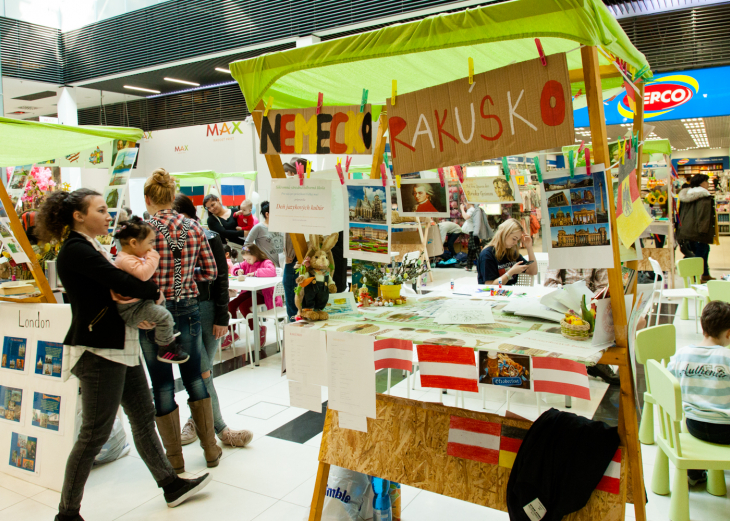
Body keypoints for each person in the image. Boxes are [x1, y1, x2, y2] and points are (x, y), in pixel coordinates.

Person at [36, 189, 210, 521]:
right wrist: (153, 289)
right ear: (79, 216)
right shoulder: (76, 250)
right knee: (94, 433)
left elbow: (122, 286)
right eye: (100, 210)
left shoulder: (92, 247)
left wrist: (141, 292)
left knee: (143, 419)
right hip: (99, 350)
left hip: (120, 345)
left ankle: (170, 484)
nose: (107, 215)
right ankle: (67, 513)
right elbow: (126, 283)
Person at [141, 168, 222, 473]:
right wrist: (186, 280)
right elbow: (211, 271)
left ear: (148, 198)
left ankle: (175, 459)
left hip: (152, 313)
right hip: (188, 308)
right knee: (194, 377)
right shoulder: (192, 225)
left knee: (161, 385)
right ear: (172, 196)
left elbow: (129, 273)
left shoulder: (141, 228)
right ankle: (211, 450)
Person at [172, 194, 254, 449]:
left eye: (175, 215)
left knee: (201, 372)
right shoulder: (167, 240)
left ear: (186, 214)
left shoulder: (209, 237)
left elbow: (221, 279)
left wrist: (222, 315)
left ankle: (194, 420)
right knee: (202, 371)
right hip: (182, 311)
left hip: (207, 308)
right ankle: (222, 429)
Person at [668, 300, 730, 486]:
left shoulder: (681, 355)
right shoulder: (727, 358)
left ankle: (694, 473)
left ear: (702, 327)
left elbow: (669, 384)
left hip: (694, 426)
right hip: (726, 431)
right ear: (729, 333)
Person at [112, 217, 188, 364]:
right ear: (134, 243)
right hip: (131, 309)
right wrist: (153, 256)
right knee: (164, 316)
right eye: (150, 243)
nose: (151, 247)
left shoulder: (130, 257)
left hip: (139, 303)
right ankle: (166, 349)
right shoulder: (125, 260)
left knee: (162, 307)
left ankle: (166, 332)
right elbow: (144, 274)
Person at [227, 244, 283, 353]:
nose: (247, 261)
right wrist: (238, 270)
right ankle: (232, 333)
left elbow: (271, 271)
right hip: (250, 291)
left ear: (256, 255)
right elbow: (236, 267)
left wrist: (256, 273)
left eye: (249, 258)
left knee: (243, 306)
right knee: (231, 305)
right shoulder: (246, 263)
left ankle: (258, 330)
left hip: (265, 294)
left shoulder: (266, 262)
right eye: (245, 259)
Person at [677, 174, 716, 282]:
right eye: (706, 182)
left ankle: (705, 274)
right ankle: (695, 275)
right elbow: (703, 215)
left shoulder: (687, 196)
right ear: (701, 183)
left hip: (687, 229)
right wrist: (703, 231)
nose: (708, 184)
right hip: (698, 230)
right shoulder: (704, 196)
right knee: (700, 251)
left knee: (703, 249)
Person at [477, 218, 537, 285]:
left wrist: (529, 247)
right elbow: (490, 286)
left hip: (509, 293)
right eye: (514, 239)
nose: (515, 243)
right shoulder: (487, 255)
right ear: (504, 234)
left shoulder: (511, 252)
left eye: (518, 240)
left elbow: (533, 271)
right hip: (493, 294)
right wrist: (510, 273)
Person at [245, 200, 279, 267]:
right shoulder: (259, 227)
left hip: (277, 267)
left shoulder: (279, 228)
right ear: (267, 214)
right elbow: (245, 245)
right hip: (263, 266)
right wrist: (254, 257)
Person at [544, 269, 609, 293]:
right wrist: (564, 293)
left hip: (590, 304)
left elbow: (603, 287)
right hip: (562, 301)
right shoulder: (558, 255)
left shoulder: (597, 257)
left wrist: (591, 301)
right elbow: (549, 284)